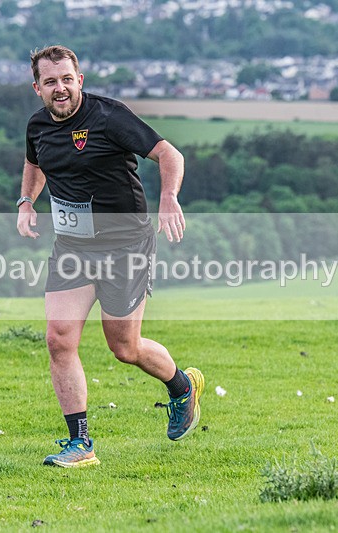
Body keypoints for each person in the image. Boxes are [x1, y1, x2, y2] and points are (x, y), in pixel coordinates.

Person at [17, 45, 203, 468]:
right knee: (58, 338)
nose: (60, 88)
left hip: (125, 246)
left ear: (79, 79)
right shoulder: (37, 125)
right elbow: (34, 162)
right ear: (38, 88)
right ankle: (80, 444)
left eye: (67, 79)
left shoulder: (108, 116)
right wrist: (26, 202)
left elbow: (169, 154)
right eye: (50, 82)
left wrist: (169, 197)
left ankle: (181, 387)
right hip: (73, 246)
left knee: (125, 347)